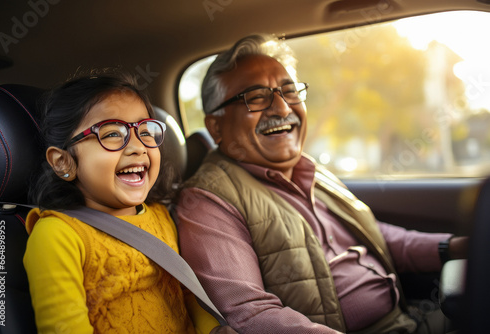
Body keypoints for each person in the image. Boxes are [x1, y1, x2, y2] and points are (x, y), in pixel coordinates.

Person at [176, 35, 468, 334]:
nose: (281, 108)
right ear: (216, 126)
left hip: (408, 319)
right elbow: (249, 314)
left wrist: (454, 247)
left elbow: (373, 235)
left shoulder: (310, 169)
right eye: (257, 97)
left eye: (289, 92)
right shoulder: (207, 200)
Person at [23, 72, 234, 333]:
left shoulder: (160, 216)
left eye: (146, 131)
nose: (138, 147)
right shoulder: (56, 236)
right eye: (112, 133)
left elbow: (186, 295)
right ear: (63, 162)